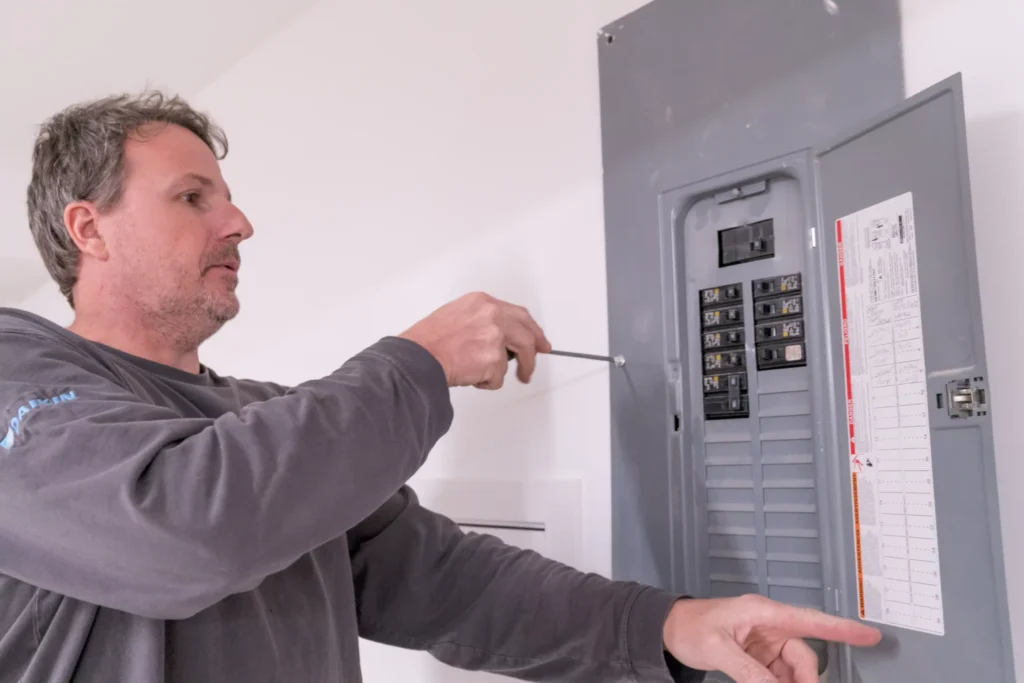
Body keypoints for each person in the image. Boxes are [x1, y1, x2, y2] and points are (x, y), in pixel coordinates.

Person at [0, 91, 880, 683]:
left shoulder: (266, 420)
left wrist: (669, 628)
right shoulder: (19, 376)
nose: (239, 222)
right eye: (193, 197)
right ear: (90, 229)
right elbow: (181, 528)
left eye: (227, 197)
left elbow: (452, 583)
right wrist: (417, 362)